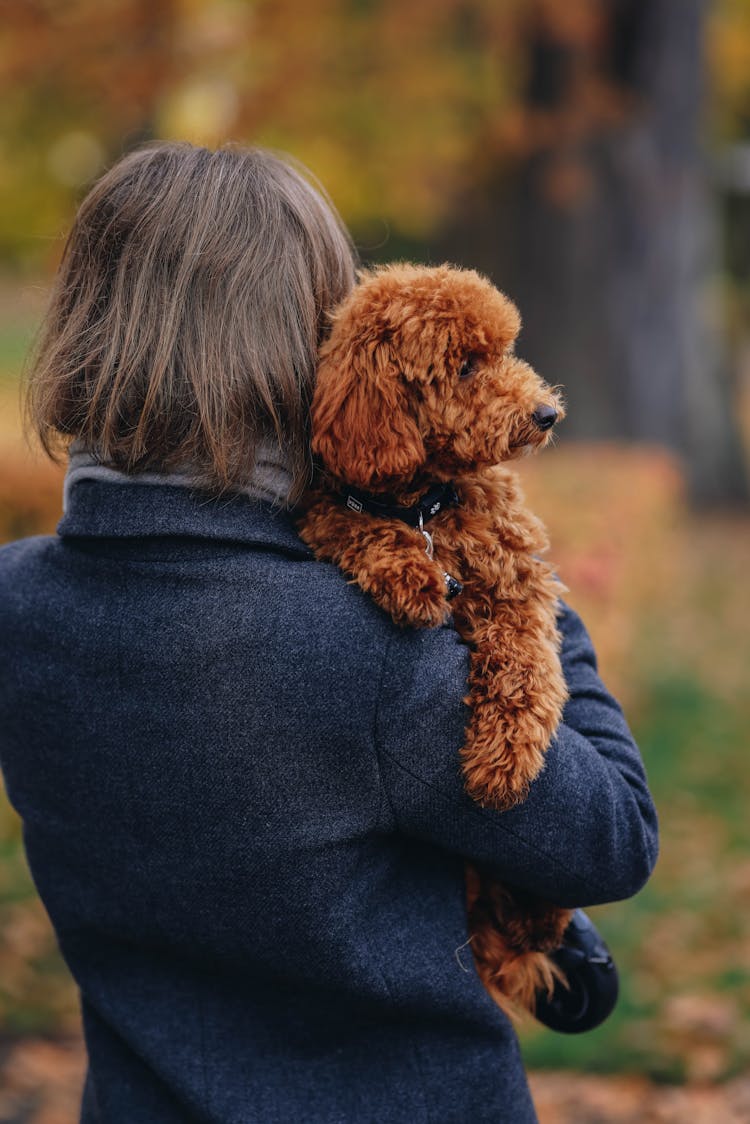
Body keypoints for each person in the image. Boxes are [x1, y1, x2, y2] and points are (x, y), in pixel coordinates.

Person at [0, 141, 658, 1123]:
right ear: (300, 347)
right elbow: (611, 836)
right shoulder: (370, 643)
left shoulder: (20, 604)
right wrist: (509, 567)